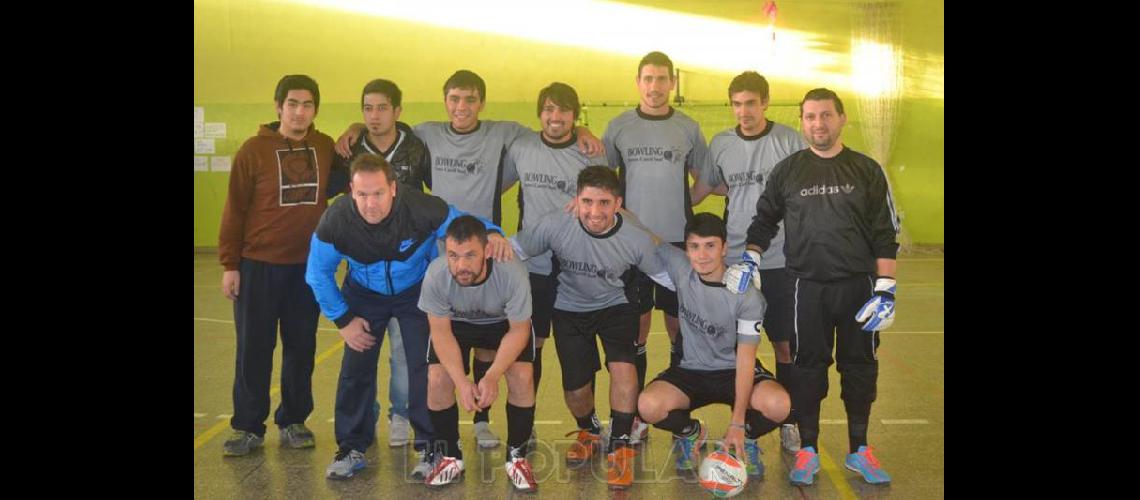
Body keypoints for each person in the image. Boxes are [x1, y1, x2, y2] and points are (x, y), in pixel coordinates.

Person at [336, 70, 603, 449]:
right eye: (455, 99)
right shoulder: (426, 133)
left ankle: (484, 421)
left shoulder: (503, 132)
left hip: (487, 251)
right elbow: (385, 127)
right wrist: (352, 125)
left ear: (482, 102)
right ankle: (415, 421)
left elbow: (552, 131)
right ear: (445, 101)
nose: (462, 107)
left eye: (470, 99)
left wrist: (583, 132)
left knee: (492, 343)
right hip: (443, 253)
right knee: (432, 343)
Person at [725, 88, 900, 486]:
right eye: (809, 117)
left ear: (841, 119)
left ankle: (859, 450)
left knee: (860, 368)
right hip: (806, 288)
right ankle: (807, 449)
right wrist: (751, 255)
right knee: (807, 369)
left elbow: (884, 232)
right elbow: (764, 220)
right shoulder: (788, 171)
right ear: (802, 122)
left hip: (858, 287)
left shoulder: (866, 169)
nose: (818, 124)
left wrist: (886, 287)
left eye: (825, 115)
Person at [304, 154, 514, 479]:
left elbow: (462, 223)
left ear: (393, 189)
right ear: (350, 191)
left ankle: (431, 446)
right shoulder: (335, 220)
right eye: (362, 195)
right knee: (355, 368)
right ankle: (351, 446)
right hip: (363, 292)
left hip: (414, 291)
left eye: (377, 194)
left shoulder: (421, 207)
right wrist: (344, 320)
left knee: (425, 367)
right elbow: (318, 273)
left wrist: (493, 232)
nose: (370, 203)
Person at [511, 166, 672, 490]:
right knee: (575, 390)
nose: (594, 212)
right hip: (569, 309)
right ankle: (590, 430)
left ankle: (621, 446)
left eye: (603, 203)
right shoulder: (556, 225)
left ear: (617, 204)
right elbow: (514, 248)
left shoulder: (636, 238)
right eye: (587, 202)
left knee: (623, 370)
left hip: (616, 306)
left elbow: (666, 277)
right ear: (576, 200)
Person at [689, 71, 807, 454]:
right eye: (737, 104)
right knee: (737, 346)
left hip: (779, 259)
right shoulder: (722, 143)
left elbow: (805, 194)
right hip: (734, 261)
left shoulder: (788, 140)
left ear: (765, 102)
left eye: (751, 103)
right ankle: (737, 422)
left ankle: (788, 419)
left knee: (784, 344)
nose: (744, 111)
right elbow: (705, 187)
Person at [218, 74, 335, 457]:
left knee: (301, 348)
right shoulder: (253, 150)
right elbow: (234, 209)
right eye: (292, 104)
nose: (299, 112)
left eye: (307, 105)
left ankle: (294, 420)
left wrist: (352, 129)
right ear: (278, 106)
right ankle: (248, 427)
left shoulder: (325, 147)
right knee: (254, 349)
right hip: (257, 267)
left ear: (315, 110)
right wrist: (229, 264)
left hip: (307, 270)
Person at [601, 52, 712, 443]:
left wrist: (685, 202)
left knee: (681, 327)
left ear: (672, 84)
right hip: (631, 245)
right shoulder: (618, 127)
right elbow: (603, 179)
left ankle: (676, 409)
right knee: (637, 328)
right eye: (647, 79)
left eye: (662, 79)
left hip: (677, 245)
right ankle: (635, 415)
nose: (654, 86)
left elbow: (705, 178)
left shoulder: (687, 127)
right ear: (638, 82)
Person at [636, 213, 790, 478]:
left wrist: (738, 422)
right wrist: (614, 207)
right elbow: (648, 235)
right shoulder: (681, 267)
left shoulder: (746, 296)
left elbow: (745, 360)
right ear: (686, 249)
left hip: (734, 370)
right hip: (691, 370)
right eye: (694, 246)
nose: (702, 255)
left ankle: (747, 439)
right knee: (648, 405)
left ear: (724, 248)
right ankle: (691, 433)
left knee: (779, 405)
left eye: (710, 246)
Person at [328, 78, 433, 447]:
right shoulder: (349, 147)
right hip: (365, 269)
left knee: (405, 353)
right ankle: (363, 417)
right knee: (361, 352)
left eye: (382, 108)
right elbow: (334, 193)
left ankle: (400, 413)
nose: (374, 116)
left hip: (408, 269)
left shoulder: (418, 148)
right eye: (367, 109)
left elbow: (433, 200)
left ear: (397, 112)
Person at [501, 82, 606, 440]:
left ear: (575, 115)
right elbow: (493, 185)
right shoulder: (522, 147)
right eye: (548, 109)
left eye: (562, 110)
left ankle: (586, 425)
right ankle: (524, 426)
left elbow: (606, 204)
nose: (554, 116)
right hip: (534, 267)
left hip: (578, 267)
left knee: (577, 351)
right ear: (539, 113)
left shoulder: (590, 152)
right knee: (531, 345)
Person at [418, 215, 538, 492]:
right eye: (453, 256)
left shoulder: (511, 272)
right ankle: (450, 456)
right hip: (457, 325)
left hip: (502, 324)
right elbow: (441, 333)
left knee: (522, 375)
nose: (460, 265)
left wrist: (493, 375)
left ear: (486, 250)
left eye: (470, 255)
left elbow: (519, 331)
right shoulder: (436, 275)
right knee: (437, 379)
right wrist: (462, 382)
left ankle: (517, 457)